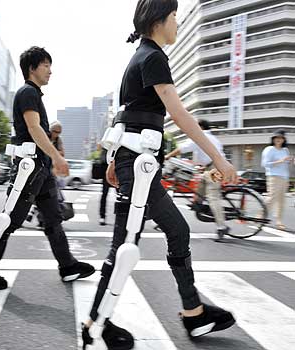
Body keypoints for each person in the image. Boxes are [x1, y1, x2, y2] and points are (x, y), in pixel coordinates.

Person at [81, 1, 238, 349]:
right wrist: (219, 159)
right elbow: (179, 114)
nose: (177, 24)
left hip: (134, 162)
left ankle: (192, 310)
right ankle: (96, 323)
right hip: (138, 164)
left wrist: (113, 160)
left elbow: (125, 115)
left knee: (161, 233)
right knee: (126, 246)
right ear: (159, 21)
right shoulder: (153, 57)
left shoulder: (140, 56)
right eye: (174, 18)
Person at [0, 47, 95, 290]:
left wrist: (51, 161)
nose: (50, 70)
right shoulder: (28, 92)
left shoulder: (34, 94)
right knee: (10, 219)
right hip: (29, 169)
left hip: (40, 169)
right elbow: (34, 128)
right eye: (46, 65)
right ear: (32, 68)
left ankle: (68, 266)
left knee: (53, 219)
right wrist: (57, 158)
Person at [165, 119, 228, 241]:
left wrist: (167, 156)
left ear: (200, 127)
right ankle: (198, 206)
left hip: (214, 169)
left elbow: (182, 148)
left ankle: (222, 226)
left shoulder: (200, 136)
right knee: (199, 190)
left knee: (213, 197)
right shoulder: (213, 138)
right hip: (211, 167)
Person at [261, 129, 292, 230]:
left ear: (284, 139)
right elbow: (265, 164)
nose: (279, 139)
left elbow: (286, 163)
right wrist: (280, 161)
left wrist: (290, 160)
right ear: (273, 139)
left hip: (284, 177)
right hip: (273, 176)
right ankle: (261, 216)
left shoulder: (285, 150)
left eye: (281, 138)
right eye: (277, 138)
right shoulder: (269, 149)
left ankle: (279, 221)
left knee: (281, 201)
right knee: (271, 198)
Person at [98, 146, 111, 225]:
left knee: (122, 196)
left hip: (118, 171)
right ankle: (102, 216)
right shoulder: (106, 145)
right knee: (104, 194)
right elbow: (102, 159)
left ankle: (122, 217)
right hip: (107, 172)